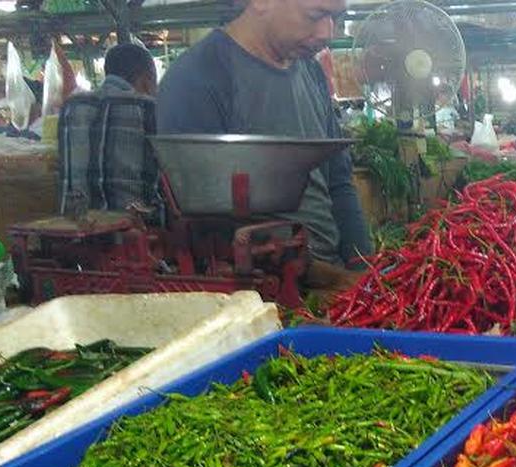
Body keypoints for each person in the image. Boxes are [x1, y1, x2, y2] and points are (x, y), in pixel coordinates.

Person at [157, 0, 371, 288]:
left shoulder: (312, 74)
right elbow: (206, 227)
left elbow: (339, 181)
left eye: (335, 17)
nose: (327, 33)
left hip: (330, 282)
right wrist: (329, 279)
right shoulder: (198, 77)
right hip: (260, 292)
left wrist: (363, 267)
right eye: (316, 15)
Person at [58, 43, 160, 213]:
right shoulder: (149, 108)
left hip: (78, 226)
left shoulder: (72, 106)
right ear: (146, 78)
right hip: (139, 225)